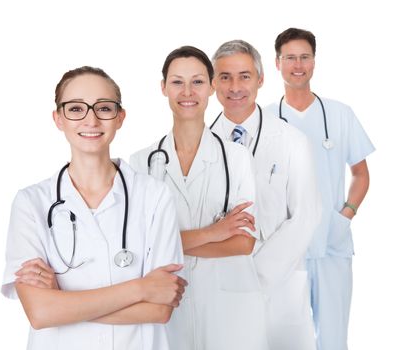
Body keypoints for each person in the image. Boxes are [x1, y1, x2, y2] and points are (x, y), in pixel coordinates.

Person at [1, 66, 187, 350]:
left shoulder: (154, 196)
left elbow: (159, 309)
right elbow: (40, 313)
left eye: (103, 108)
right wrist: (140, 288)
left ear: (120, 117)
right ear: (58, 119)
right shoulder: (31, 203)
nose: (91, 119)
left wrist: (62, 298)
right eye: (76, 109)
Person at [129, 46, 266, 350]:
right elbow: (139, 247)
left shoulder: (237, 157)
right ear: (163, 87)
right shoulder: (140, 163)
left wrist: (169, 245)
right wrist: (214, 233)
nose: (187, 91)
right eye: (177, 82)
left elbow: (244, 242)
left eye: (198, 81)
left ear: (212, 86)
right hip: (167, 309)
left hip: (228, 310)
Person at [265, 28, 375, 350]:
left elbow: (361, 174)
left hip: (331, 245)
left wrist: (345, 215)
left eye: (305, 57)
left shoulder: (340, 114)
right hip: (283, 251)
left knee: (333, 341)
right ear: (277, 63)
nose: (298, 65)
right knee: (283, 341)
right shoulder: (266, 119)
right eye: (290, 58)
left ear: (314, 61)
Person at [210, 39, 321, 350]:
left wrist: (255, 277)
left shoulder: (291, 141)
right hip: (218, 293)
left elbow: (306, 215)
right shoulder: (200, 146)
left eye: (244, 76)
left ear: (260, 79)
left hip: (277, 290)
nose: (235, 87)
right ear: (212, 82)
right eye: (225, 76)